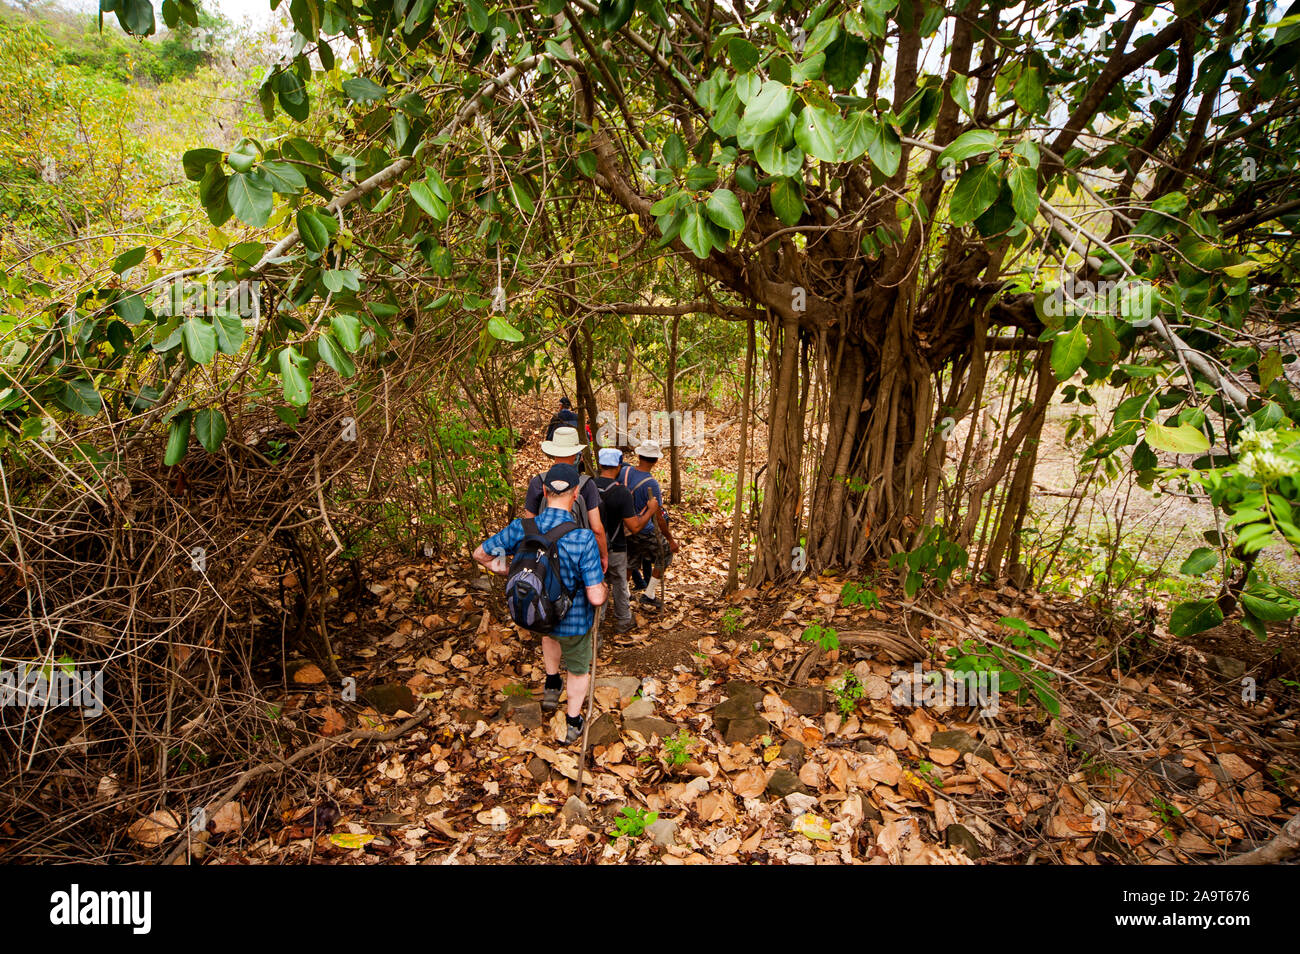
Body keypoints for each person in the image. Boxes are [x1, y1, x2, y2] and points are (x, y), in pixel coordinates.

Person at [474, 463, 607, 744]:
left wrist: (507, 568)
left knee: (549, 635)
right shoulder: (583, 538)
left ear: (545, 492)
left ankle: (550, 684)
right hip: (573, 621)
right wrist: (604, 588)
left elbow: (481, 554)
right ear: (576, 495)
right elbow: (595, 596)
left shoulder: (521, 527)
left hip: (538, 614)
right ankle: (572, 721)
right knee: (579, 668)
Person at [524, 426, 609, 573]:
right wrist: (603, 556)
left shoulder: (538, 483)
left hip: (545, 557)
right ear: (577, 453)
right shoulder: (586, 485)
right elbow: (597, 529)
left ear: (553, 452)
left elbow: (529, 526)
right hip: (579, 557)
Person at [594, 447, 659, 635]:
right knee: (620, 583)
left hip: (594, 546)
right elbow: (635, 526)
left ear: (600, 464)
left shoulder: (588, 487)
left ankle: (599, 620)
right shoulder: (621, 492)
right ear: (619, 466)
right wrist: (650, 510)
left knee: (598, 581)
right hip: (616, 546)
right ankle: (623, 620)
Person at [620, 440, 678, 611]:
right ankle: (650, 594)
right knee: (665, 555)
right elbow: (658, 515)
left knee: (631, 559)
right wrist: (669, 538)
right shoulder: (651, 483)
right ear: (656, 461)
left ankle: (624, 594)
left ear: (639, 456)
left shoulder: (625, 471)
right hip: (643, 529)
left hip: (625, 528)